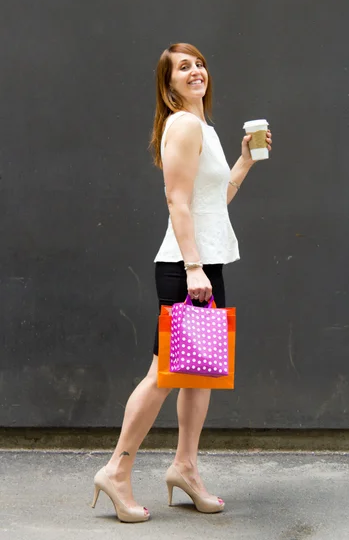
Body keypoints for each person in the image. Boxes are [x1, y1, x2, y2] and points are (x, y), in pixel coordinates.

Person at [91, 43, 272, 523]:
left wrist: (245, 162)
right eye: (183, 67)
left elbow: (213, 200)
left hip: (207, 263)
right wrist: (193, 268)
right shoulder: (185, 125)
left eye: (200, 64)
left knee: (200, 373)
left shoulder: (204, 129)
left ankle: (185, 468)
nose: (196, 72)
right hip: (186, 266)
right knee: (163, 375)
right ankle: (116, 470)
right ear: (168, 83)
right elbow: (177, 200)